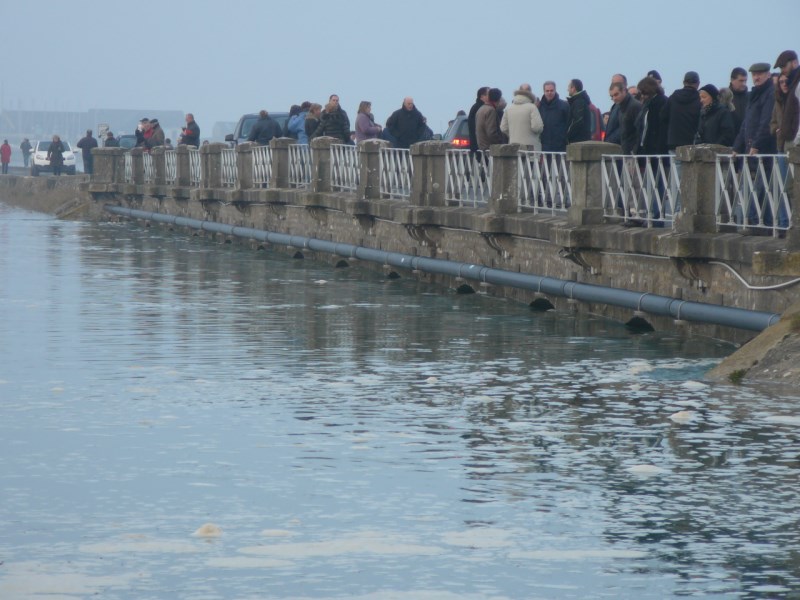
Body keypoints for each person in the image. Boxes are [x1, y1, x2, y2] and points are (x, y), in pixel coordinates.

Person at [661, 71, 701, 152]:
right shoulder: (699, 99)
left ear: (683, 82)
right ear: (698, 83)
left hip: (673, 141)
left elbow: (663, 115)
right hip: (691, 143)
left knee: (675, 164)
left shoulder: (674, 97)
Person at [500, 84, 543, 149]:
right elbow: (537, 128)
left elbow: (503, 128)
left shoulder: (508, 108)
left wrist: (513, 134)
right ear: (530, 92)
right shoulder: (532, 107)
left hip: (514, 147)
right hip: (531, 147)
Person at [774, 49, 800, 150]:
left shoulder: (797, 84)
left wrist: (798, 138)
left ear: (794, 62)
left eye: (784, 66)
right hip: (790, 138)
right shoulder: (792, 83)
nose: (782, 70)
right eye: (781, 68)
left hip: (796, 139)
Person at [608, 82, 640, 154]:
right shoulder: (620, 106)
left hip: (634, 152)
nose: (614, 98)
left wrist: (634, 150)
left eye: (616, 94)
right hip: (626, 150)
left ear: (624, 91)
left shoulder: (634, 106)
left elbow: (639, 130)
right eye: (612, 96)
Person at [539, 81, 569, 152]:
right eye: (547, 91)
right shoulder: (539, 107)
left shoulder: (564, 106)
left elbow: (568, 124)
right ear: (544, 91)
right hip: (544, 145)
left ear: (555, 90)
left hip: (560, 146)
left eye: (551, 90)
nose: (549, 93)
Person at [604, 74, 628, 146]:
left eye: (617, 84)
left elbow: (624, 128)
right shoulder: (615, 105)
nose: (614, 86)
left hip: (619, 147)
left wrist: (609, 141)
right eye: (613, 83)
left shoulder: (627, 104)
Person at [566, 79, 592, 144]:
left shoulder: (579, 102)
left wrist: (567, 135)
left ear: (573, 88)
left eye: (569, 87)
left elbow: (577, 121)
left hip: (578, 141)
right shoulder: (579, 101)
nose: (567, 90)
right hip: (581, 140)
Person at [468, 87, 490, 158]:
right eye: (489, 94)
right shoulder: (479, 108)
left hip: (478, 144)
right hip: (479, 145)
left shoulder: (477, 107)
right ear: (482, 96)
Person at [729, 67, 749, 138]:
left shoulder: (751, 98)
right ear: (732, 80)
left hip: (747, 138)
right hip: (730, 139)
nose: (744, 83)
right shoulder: (724, 98)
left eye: (745, 81)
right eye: (741, 81)